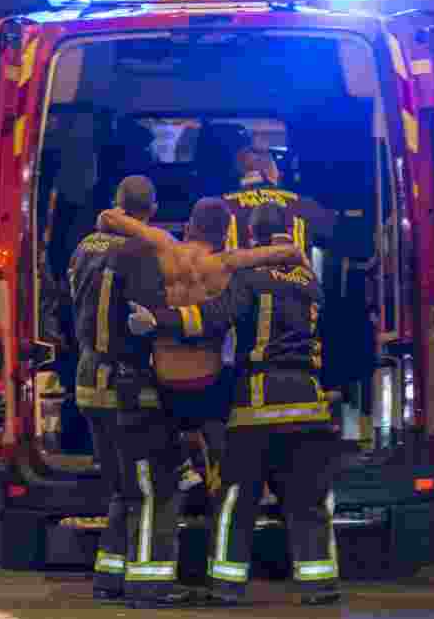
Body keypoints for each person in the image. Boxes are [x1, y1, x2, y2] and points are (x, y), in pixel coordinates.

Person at [128, 202, 342, 606]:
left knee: (235, 499)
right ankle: (320, 584)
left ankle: (226, 586)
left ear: (253, 235)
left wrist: (160, 321)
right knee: (308, 501)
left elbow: (216, 315)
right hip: (310, 406)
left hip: (258, 406)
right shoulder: (311, 281)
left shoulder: (250, 278)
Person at [96, 198, 308, 497]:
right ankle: (221, 479)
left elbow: (107, 217)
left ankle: (185, 464)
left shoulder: (164, 246)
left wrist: (115, 213)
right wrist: (293, 255)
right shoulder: (229, 262)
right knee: (231, 400)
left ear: (191, 225)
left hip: (165, 381)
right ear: (224, 233)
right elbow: (289, 253)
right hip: (208, 383)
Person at [68, 176, 191, 608]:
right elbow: (149, 317)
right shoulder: (141, 252)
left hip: (87, 381)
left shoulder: (85, 247)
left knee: (122, 487)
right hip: (128, 387)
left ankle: (110, 576)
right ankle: (150, 584)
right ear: (151, 210)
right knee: (156, 486)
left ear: (116, 205)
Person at [216, 126, 335, 254]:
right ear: (268, 167)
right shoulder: (302, 205)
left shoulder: (217, 207)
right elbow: (338, 233)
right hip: (291, 272)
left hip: (239, 272)